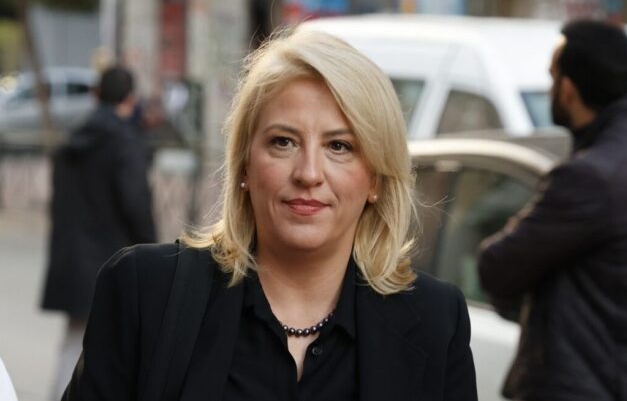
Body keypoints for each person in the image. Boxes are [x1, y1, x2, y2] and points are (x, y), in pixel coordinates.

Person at [61, 29, 477, 400]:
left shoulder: (437, 322)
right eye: (283, 142)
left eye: (339, 146)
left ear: (376, 179)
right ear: (244, 165)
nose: (309, 173)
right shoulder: (143, 292)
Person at [478, 19, 627, 401]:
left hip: (583, 385)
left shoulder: (589, 177)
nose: (550, 89)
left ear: (569, 89)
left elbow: (496, 267)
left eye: (552, 77)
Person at [41, 65, 156, 399]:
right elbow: (136, 205)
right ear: (130, 98)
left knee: (74, 341)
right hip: (113, 260)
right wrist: (153, 251)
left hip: (72, 258)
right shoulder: (124, 143)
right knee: (113, 349)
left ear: (96, 95)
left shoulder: (73, 140)